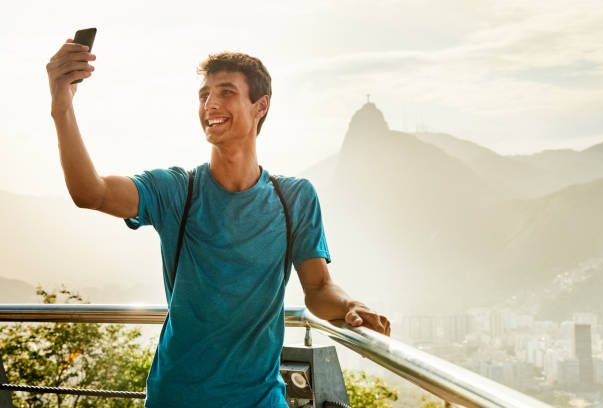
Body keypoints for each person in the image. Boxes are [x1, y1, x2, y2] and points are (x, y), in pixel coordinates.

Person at [46, 38, 391, 407]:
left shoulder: (294, 198)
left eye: (225, 92)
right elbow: (91, 192)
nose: (210, 104)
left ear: (261, 105)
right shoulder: (176, 190)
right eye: (204, 94)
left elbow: (320, 287)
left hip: (260, 400)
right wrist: (61, 104)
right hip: (176, 398)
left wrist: (350, 305)